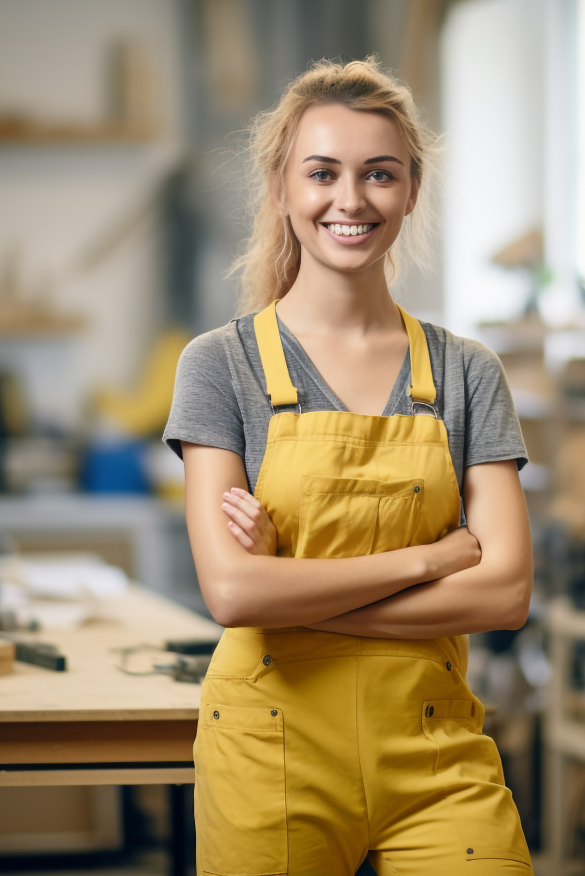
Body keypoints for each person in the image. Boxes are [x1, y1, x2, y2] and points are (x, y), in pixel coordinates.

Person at [163, 57, 534, 876]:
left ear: (410, 190)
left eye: (379, 174)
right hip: (272, 745)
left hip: (434, 746)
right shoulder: (220, 367)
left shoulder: (468, 372)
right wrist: (432, 560)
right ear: (282, 188)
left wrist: (292, 590)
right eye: (322, 173)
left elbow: (505, 593)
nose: (351, 199)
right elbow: (230, 593)